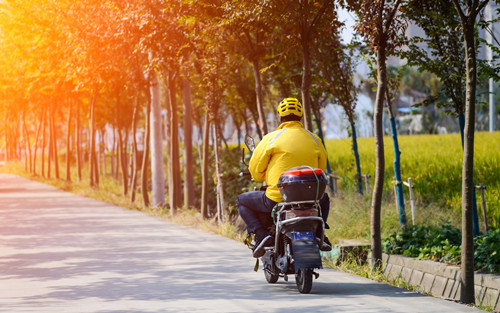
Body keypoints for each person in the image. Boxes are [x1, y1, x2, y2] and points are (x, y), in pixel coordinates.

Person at [237, 97, 332, 258]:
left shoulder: (271, 138)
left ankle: (262, 235)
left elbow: (255, 170)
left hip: (277, 198)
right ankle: (319, 233)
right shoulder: (315, 139)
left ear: (280, 117)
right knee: (325, 199)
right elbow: (321, 169)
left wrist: (261, 176)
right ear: (301, 116)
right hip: (312, 198)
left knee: (241, 200)